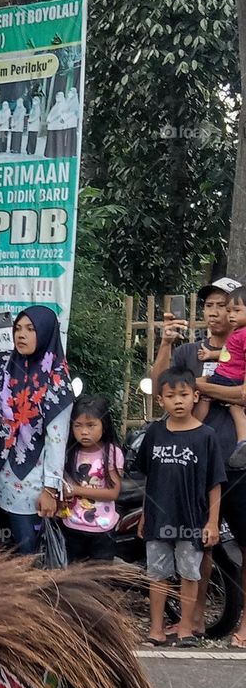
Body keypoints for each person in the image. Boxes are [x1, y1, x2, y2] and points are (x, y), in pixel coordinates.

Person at [150, 277, 246, 643]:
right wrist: (165, 343)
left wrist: (203, 387)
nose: (216, 311)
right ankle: (194, 621)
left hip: (238, 464)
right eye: (209, 305)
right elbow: (160, 384)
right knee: (199, 544)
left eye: (224, 304)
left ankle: (244, 626)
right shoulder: (190, 352)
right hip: (194, 467)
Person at [0, 305, 74, 554]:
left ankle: (33, 595)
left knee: (28, 555)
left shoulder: (56, 380)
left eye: (30, 329)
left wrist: (50, 490)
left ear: (46, 332)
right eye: (18, 328)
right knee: (1, 551)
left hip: (31, 486)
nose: (21, 335)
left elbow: (57, 439)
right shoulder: (3, 363)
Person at [136, 366, 224, 646]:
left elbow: (215, 483)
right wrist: (143, 515)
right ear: (160, 400)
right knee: (158, 574)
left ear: (195, 396)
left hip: (191, 520)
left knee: (189, 573)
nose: (178, 401)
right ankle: (156, 629)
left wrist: (211, 522)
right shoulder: (154, 434)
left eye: (184, 394)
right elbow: (148, 479)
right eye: (171, 396)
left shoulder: (206, 436)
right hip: (158, 518)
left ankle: (186, 628)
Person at [60, 395, 123, 561]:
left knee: (99, 578)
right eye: (78, 426)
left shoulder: (112, 453)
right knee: (75, 577)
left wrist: (76, 490)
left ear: (104, 425)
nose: (84, 432)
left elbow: (113, 493)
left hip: (102, 527)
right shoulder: (68, 453)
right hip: (72, 525)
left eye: (91, 425)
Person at [193, 284, 246, 466]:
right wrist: (210, 355)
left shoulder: (243, 334)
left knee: (204, 396)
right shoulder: (238, 334)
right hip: (224, 375)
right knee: (233, 406)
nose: (231, 315)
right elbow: (229, 352)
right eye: (209, 305)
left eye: (234, 310)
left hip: (228, 378)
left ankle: (191, 431)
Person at [45, 90, 66, 158]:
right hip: (51, 125)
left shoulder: (63, 104)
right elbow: (51, 113)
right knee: (51, 140)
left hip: (58, 126)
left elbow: (58, 114)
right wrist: (48, 119)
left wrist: (51, 119)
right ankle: (49, 153)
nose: (57, 97)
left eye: (59, 96)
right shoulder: (56, 105)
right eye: (57, 96)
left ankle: (57, 154)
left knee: (57, 140)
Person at [26, 91, 42, 155]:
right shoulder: (33, 108)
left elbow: (36, 116)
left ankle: (32, 150)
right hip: (31, 125)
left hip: (34, 125)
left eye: (36, 100)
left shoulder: (38, 108)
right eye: (34, 99)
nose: (34, 101)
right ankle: (28, 149)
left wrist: (30, 120)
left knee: (33, 138)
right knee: (30, 137)